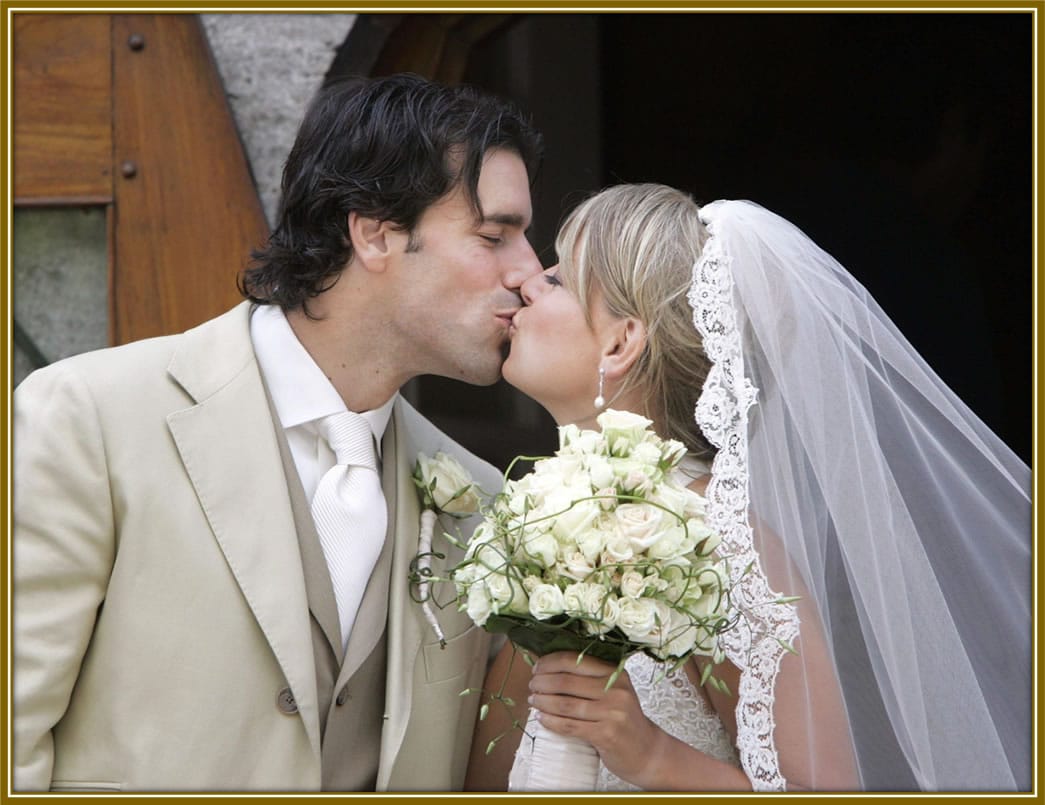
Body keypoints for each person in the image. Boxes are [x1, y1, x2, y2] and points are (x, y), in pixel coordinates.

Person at [13, 73, 543, 792]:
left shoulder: (480, 499)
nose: (529, 272)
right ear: (375, 231)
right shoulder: (88, 418)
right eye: (494, 235)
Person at [464, 184, 1031, 792]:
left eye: (555, 280)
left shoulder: (717, 539)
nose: (526, 281)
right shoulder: (543, 524)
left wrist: (650, 755)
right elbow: (483, 774)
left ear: (621, 342)